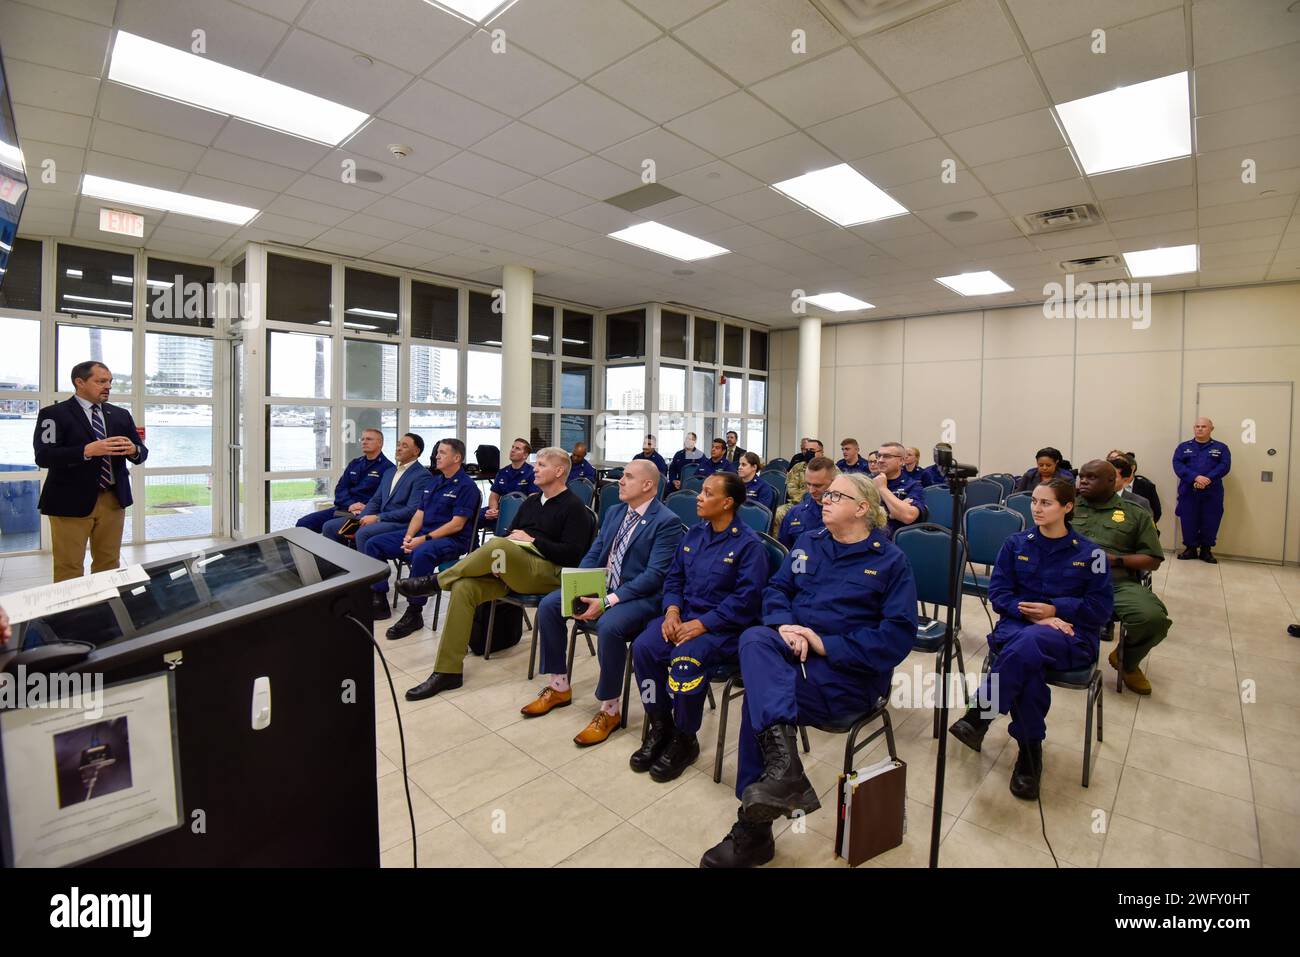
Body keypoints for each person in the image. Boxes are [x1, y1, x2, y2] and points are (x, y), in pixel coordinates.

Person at [699, 473, 917, 868]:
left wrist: (824, 644)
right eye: (826, 492)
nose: (824, 499)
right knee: (754, 639)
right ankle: (785, 771)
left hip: (846, 676)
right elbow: (777, 591)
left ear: (863, 508)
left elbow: (896, 637)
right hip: (791, 655)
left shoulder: (890, 561)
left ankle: (754, 828)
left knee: (759, 701)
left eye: (836, 494)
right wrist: (784, 625)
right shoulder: (808, 542)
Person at [948, 478, 1112, 801]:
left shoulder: (1092, 554)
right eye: (1034, 501)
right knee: (1029, 669)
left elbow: (1101, 610)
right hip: (1018, 628)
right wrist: (1037, 615)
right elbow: (998, 594)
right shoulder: (1015, 544)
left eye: (1046, 503)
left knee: (1029, 645)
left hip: (1071, 637)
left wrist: (1056, 609)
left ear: (1067, 507)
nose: (1036, 508)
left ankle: (981, 713)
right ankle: (1029, 753)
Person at [403, 447, 595, 699]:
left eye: (542, 465)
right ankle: (448, 671)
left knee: (497, 545)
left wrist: (533, 540)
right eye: (536, 465)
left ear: (559, 471)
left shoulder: (575, 508)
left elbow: (572, 555)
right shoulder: (530, 502)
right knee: (464, 588)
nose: (535, 469)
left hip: (548, 575)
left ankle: (437, 582)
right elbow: (509, 536)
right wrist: (496, 563)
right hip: (513, 569)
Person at [519, 461, 683, 745]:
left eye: (628, 477)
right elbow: (595, 553)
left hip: (641, 597)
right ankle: (558, 685)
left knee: (609, 626)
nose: (620, 481)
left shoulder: (666, 521)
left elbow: (655, 575)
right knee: (549, 605)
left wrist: (606, 601)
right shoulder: (615, 511)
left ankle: (610, 709)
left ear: (647, 485)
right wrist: (578, 585)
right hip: (605, 587)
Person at [629, 473, 767, 783]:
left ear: (727, 502)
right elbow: (674, 578)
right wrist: (672, 610)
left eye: (707, 493)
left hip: (725, 628)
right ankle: (660, 724)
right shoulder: (693, 535)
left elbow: (746, 601)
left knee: (685, 660)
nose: (699, 497)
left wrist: (703, 624)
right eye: (701, 492)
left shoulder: (748, 545)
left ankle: (684, 737)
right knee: (644, 648)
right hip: (684, 616)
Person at [33, 361, 149, 582]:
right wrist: (87, 451)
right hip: (69, 502)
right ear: (80, 382)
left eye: (110, 382)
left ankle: (104, 611)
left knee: (109, 564)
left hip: (113, 500)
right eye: (101, 381)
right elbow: (44, 456)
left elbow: (141, 453)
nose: (108, 386)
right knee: (69, 567)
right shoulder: (54, 414)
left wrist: (134, 449)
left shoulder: (120, 415)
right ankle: (71, 616)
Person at [1073, 460, 1170, 695]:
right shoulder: (1067, 506)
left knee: (1152, 618)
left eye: (1091, 477)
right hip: (1067, 580)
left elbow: (1153, 559)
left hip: (1114, 582)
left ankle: (1127, 661)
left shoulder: (1134, 512)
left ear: (1112, 481)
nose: (1083, 481)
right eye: (1082, 476)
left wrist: (1115, 560)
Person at [367, 438, 478, 634]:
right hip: (423, 533)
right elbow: (420, 513)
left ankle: (414, 612)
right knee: (374, 543)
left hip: (453, 540)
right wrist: (409, 536)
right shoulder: (434, 481)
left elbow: (456, 524)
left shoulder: (466, 486)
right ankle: (378, 597)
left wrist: (423, 540)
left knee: (422, 552)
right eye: (438, 452)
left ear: (457, 457)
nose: (437, 455)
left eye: (443, 452)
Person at [323, 433, 432, 554]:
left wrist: (377, 518)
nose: (398, 448)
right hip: (381, 519)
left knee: (362, 533)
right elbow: (376, 500)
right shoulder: (390, 472)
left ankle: (371, 571)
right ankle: (342, 566)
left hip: (400, 523)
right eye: (398, 445)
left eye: (404, 446)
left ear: (416, 451)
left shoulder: (422, 475)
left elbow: (411, 510)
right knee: (330, 527)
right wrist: (360, 520)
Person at [296, 428, 392, 533]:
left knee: (331, 528)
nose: (364, 442)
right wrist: (350, 504)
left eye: (369, 439)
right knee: (303, 524)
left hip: (364, 513)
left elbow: (383, 498)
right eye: (362, 439)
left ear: (380, 443)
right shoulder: (355, 463)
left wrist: (365, 508)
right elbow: (340, 489)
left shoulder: (388, 468)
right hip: (344, 509)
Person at [1173, 418, 1230, 563]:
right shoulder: (1183, 447)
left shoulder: (1221, 448)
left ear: (1211, 428)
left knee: (1211, 520)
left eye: (1203, 426)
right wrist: (1195, 477)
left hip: (1212, 492)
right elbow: (1178, 464)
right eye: (1197, 426)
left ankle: (1206, 551)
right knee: (1188, 519)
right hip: (1189, 491)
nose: (1200, 429)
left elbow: (1224, 466)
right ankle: (1190, 549)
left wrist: (1207, 479)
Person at [777, 456, 836, 548]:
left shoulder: (845, 515)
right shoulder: (795, 514)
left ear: (834, 482)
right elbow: (785, 551)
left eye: (818, 485)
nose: (811, 490)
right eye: (808, 484)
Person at [873, 441, 926, 537]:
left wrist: (882, 489)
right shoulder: (867, 483)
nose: (880, 460)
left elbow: (908, 516)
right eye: (878, 456)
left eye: (887, 456)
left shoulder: (913, 486)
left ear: (901, 461)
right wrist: (893, 512)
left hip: (895, 543)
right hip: (868, 540)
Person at [482, 437, 538, 528]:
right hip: (501, 510)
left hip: (521, 512)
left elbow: (532, 500)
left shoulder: (532, 473)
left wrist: (509, 512)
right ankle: (471, 542)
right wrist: (493, 510)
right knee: (473, 518)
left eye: (517, 448)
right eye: (512, 447)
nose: (512, 450)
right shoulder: (502, 472)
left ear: (525, 455)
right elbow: (494, 496)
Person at [1114, 450, 1162, 525]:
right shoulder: (1107, 488)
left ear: (1132, 468)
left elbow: (1156, 512)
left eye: (1122, 465)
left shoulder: (1146, 487)